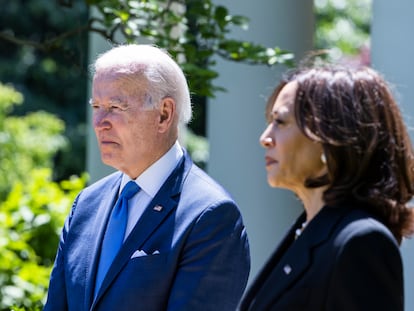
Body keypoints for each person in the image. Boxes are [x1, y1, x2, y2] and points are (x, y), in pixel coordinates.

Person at [44, 44, 250, 311]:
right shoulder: (86, 204)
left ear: (164, 114)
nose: (99, 122)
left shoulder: (210, 216)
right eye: (97, 106)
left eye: (115, 107)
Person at [239, 65, 414, 311]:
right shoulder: (308, 230)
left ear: (329, 137)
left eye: (280, 121)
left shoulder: (361, 242)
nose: (265, 137)